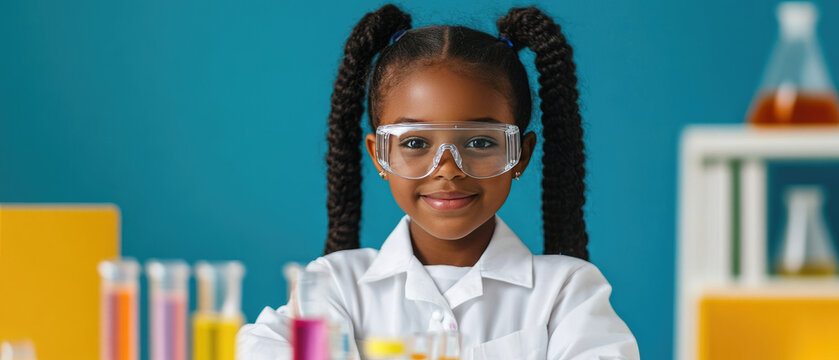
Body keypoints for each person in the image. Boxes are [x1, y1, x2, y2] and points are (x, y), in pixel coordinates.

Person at [237, 4, 639, 359]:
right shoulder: (335, 284)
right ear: (380, 154)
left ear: (521, 155)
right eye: (415, 142)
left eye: (481, 141)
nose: (447, 168)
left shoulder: (565, 293)